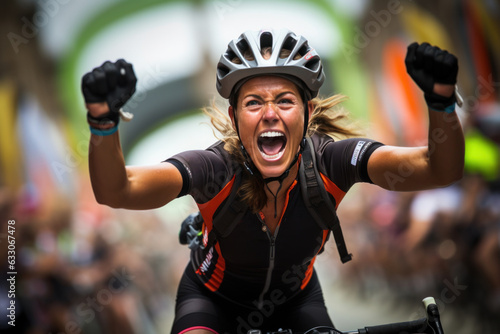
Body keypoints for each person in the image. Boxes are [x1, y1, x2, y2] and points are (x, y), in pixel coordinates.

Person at [81, 28, 465, 334]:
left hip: (297, 300)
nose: (269, 114)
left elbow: (438, 170)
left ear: (307, 112)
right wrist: (103, 123)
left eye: (284, 100)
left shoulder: (332, 161)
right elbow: (117, 190)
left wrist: (442, 103)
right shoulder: (213, 169)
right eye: (253, 103)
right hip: (211, 301)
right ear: (234, 118)